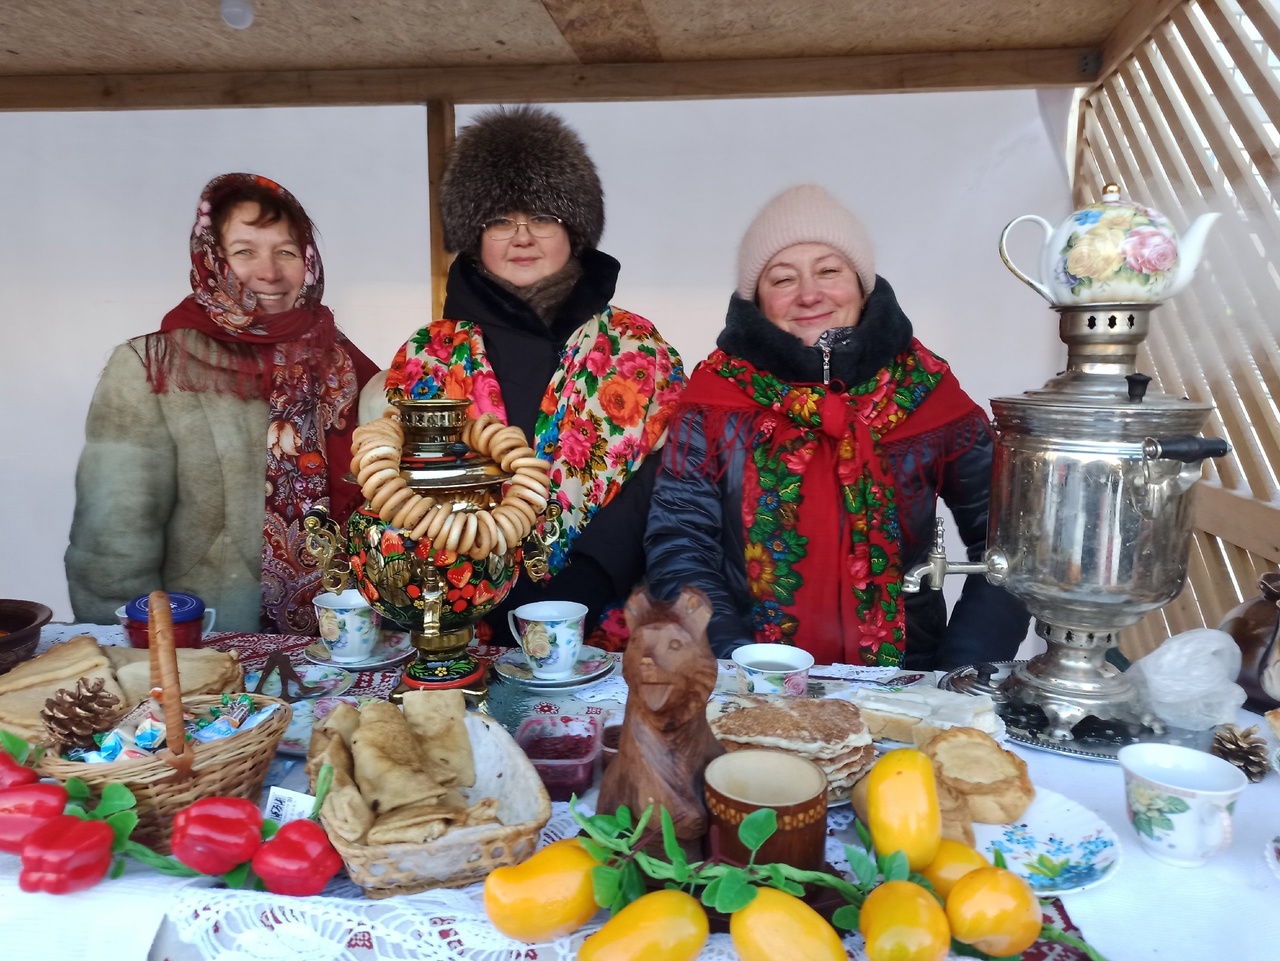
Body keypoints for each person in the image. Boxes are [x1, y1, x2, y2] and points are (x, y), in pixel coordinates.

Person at [646, 185, 1028, 670]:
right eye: (783, 279)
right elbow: (680, 542)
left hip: (905, 683)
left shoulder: (927, 391)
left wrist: (963, 670)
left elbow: (1011, 542)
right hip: (750, 677)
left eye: (829, 271)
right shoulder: (715, 400)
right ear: (757, 299)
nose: (809, 294)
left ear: (862, 284)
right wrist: (739, 659)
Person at [381, 107, 684, 647]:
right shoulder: (430, 353)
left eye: (542, 217)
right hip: (456, 613)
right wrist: (477, 584)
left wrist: (590, 575)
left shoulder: (636, 346)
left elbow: (666, 473)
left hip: (604, 610)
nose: (521, 238)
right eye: (500, 220)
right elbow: (401, 484)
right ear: (474, 236)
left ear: (574, 230)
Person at [66, 173, 379, 634]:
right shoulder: (154, 365)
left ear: (308, 261)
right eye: (245, 251)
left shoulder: (341, 360)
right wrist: (125, 646)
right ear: (212, 258)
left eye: (286, 252)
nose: (269, 272)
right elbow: (115, 536)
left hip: (347, 640)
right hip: (213, 639)